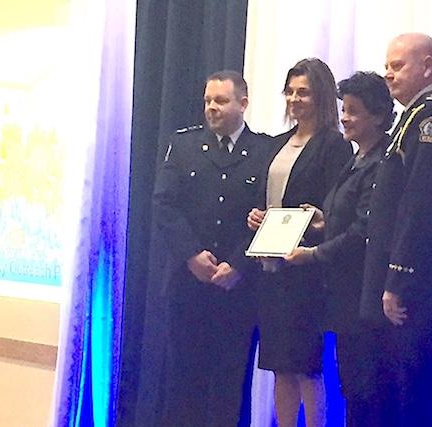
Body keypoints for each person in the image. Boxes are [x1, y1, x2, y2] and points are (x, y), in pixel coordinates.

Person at [360, 33, 432, 426]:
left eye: (398, 65)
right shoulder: (412, 118)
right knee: (403, 396)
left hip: (427, 292)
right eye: (387, 66)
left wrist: (398, 278)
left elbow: (421, 207)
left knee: (425, 397)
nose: (388, 74)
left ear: (428, 66)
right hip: (418, 291)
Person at [151, 70, 270, 426]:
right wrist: (191, 254)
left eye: (220, 101)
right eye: (208, 101)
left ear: (243, 104)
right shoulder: (184, 145)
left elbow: (270, 215)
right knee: (184, 383)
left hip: (238, 288)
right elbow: (164, 204)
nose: (211, 108)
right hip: (188, 285)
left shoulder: (264, 151)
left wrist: (239, 264)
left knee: (230, 386)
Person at [283, 71, 395, 426]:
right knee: (352, 388)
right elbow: (346, 218)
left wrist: (313, 254)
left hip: (364, 297)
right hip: (345, 298)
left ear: (377, 116)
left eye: (353, 112)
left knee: (366, 392)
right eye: (343, 109)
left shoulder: (381, 162)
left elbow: (364, 230)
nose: (344, 117)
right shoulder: (357, 158)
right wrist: (321, 219)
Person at [245, 58, 352, 427]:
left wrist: (314, 226)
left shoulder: (334, 145)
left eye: (303, 92)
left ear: (320, 96)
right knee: (278, 365)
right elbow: (268, 198)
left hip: (305, 270)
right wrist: (257, 217)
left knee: (306, 364)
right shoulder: (276, 144)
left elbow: (336, 207)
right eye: (290, 91)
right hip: (271, 268)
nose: (294, 99)